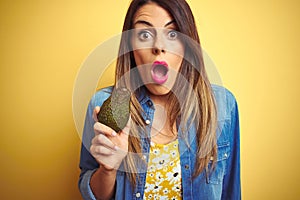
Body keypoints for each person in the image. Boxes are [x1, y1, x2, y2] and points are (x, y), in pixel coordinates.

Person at [78, 0, 241, 199]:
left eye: (172, 33)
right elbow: (93, 194)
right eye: (144, 35)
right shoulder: (103, 104)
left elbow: (231, 192)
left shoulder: (223, 106)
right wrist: (108, 169)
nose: (158, 47)